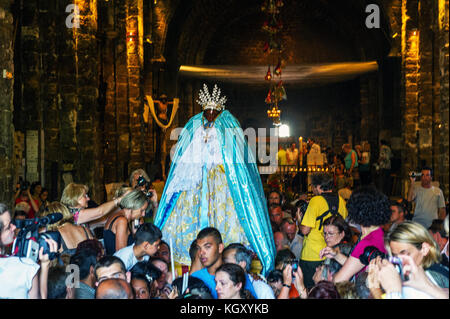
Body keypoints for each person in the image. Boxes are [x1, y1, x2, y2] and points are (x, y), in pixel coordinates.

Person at [154, 84, 275, 276]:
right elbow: (184, 159)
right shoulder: (194, 127)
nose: (209, 115)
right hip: (196, 185)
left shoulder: (228, 127)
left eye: (213, 112)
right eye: (207, 112)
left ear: (219, 112)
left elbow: (236, 161)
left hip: (223, 185)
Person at [368, 221, 449, 299]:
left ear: (424, 249)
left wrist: (378, 290)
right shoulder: (433, 270)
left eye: (405, 254)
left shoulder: (432, 277)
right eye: (395, 256)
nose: (399, 262)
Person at [333, 186, 392, 283]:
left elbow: (339, 280)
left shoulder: (366, 242)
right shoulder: (378, 234)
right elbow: (358, 265)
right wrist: (336, 255)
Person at [299, 172, 348, 288]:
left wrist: (299, 219)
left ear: (318, 187)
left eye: (313, 186)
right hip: (335, 254)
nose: (312, 189)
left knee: (312, 290)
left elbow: (305, 230)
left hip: (312, 256)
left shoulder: (315, 201)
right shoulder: (341, 201)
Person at [0, 203, 58, 299]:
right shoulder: (26, 267)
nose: (14, 227)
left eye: (12, 223)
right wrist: (45, 265)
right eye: (8, 227)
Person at [103, 188, 149, 255]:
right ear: (133, 206)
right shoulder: (122, 221)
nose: (143, 214)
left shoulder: (122, 217)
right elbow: (121, 254)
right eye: (141, 210)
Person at [60, 182, 128, 226]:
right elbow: (100, 212)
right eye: (85, 196)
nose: (88, 198)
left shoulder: (77, 214)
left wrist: (122, 208)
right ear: (75, 198)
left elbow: (104, 219)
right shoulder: (74, 214)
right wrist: (120, 199)